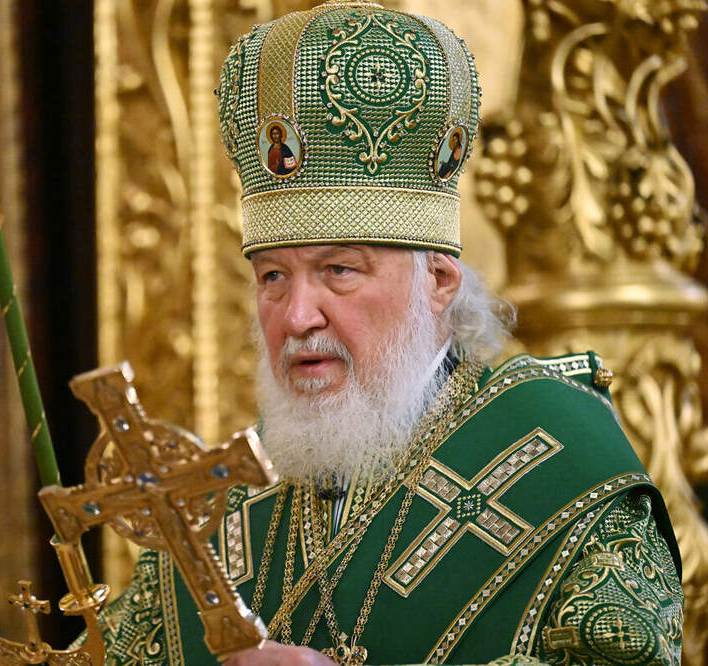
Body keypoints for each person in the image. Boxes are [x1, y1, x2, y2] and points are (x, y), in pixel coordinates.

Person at [93, 2, 684, 664]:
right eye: (273, 277)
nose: (297, 316)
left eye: (339, 271)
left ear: (439, 281)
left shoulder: (561, 453)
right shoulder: (227, 502)